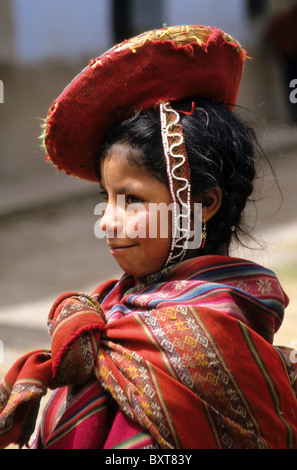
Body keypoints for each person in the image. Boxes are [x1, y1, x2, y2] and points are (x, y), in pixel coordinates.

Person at [0, 25, 297, 450]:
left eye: (132, 200)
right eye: (107, 198)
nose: (107, 222)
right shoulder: (116, 315)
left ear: (203, 205)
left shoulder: (206, 345)